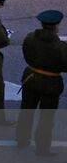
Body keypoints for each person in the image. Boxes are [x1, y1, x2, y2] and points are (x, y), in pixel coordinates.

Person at [16, 9, 65, 155]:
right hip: (50, 83)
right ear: (56, 26)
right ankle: (42, 147)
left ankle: (22, 139)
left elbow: (26, 52)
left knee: (26, 110)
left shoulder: (30, 37)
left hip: (31, 77)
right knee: (46, 117)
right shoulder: (60, 47)